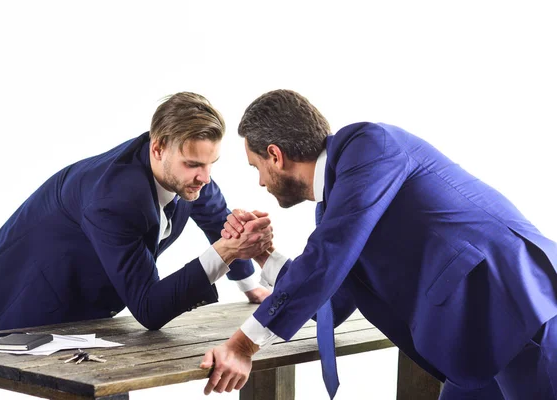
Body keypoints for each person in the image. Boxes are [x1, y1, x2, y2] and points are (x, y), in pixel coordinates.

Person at [200, 89, 557, 399]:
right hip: (475, 343)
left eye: (256, 167)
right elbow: (331, 304)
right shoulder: (339, 208)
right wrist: (263, 253)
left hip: (518, 309)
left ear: (276, 155)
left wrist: (242, 345)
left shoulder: (368, 146)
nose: (261, 182)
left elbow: (329, 254)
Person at [0, 92, 272, 332]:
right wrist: (224, 253)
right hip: (28, 296)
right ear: (158, 148)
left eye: (211, 164)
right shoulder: (114, 201)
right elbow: (149, 310)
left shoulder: (188, 172)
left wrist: (248, 286)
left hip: (93, 296)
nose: (205, 178)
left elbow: (220, 221)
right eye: (194, 164)